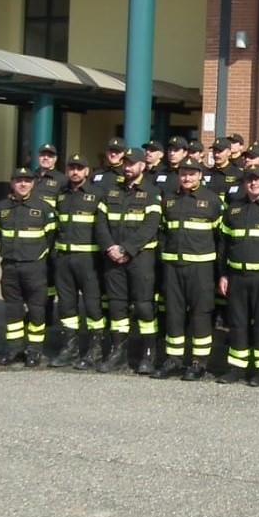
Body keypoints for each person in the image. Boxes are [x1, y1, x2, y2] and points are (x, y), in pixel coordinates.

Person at [94, 149, 163, 374]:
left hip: (140, 258)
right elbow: (100, 223)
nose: (127, 167)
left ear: (143, 166)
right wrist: (110, 248)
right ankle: (117, 352)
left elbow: (150, 227)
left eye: (132, 164)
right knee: (117, 305)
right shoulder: (111, 191)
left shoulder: (152, 193)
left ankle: (148, 354)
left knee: (143, 306)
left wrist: (127, 249)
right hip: (113, 258)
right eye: (125, 163)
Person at [156, 158, 223, 381]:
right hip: (173, 266)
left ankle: (199, 361)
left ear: (200, 176)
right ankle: (173, 358)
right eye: (184, 173)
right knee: (174, 313)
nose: (187, 178)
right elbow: (163, 232)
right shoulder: (170, 200)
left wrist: (220, 271)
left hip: (201, 267)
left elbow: (220, 238)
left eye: (192, 174)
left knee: (200, 313)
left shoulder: (211, 200)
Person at [218, 165, 259, 386]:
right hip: (237, 276)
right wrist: (223, 274)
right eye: (249, 180)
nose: (253, 183)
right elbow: (223, 246)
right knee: (237, 322)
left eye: (257, 179)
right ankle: (237, 367)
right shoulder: (234, 208)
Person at [0, 167, 57, 367]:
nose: (23, 184)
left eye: (27, 181)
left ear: (33, 183)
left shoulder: (44, 208)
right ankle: (14, 349)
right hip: (10, 266)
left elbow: (51, 236)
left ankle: (34, 351)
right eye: (19, 180)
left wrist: (37, 255)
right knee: (13, 309)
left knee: (37, 309)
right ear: (12, 183)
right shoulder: (2, 207)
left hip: (34, 267)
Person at [48, 155, 104, 369]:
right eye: (71, 168)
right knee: (66, 306)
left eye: (79, 168)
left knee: (92, 306)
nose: (75, 172)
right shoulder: (61, 196)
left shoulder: (98, 195)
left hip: (88, 260)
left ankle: (95, 349)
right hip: (64, 259)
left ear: (87, 171)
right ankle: (69, 348)